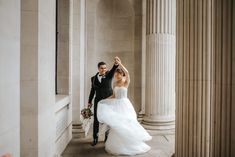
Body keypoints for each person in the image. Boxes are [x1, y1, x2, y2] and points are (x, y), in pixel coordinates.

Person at [97, 58, 152, 155]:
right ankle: (118, 145)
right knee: (118, 124)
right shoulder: (114, 83)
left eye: (118, 74)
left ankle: (131, 144)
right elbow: (114, 96)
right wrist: (104, 100)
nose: (116, 76)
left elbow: (127, 73)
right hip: (116, 105)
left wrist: (120, 64)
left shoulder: (126, 82)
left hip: (124, 105)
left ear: (121, 75)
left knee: (127, 123)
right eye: (115, 75)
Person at [87, 57, 120, 146]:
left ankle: (107, 138)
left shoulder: (109, 74)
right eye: (102, 68)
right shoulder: (93, 78)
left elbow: (113, 69)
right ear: (98, 68)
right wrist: (89, 101)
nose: (104, 69)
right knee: (96, 120)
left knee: (108, 120)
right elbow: (92, 91)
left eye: (105, 68)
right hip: (98, 101)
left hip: (108, 101)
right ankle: (95, 138)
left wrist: (116, 64)